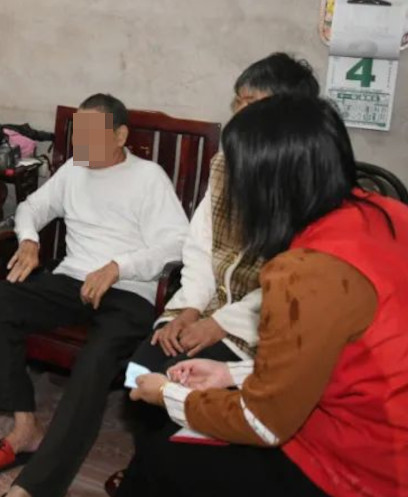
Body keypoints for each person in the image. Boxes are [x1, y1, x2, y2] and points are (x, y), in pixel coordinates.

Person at [119, 95, 408, 497]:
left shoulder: (304, 272)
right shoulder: (387, 213)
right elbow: (324, 360)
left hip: (359, 466)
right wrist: (229, 375)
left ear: (264, 183)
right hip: (372, 422)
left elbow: (263, 422)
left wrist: (169, 395)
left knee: (162, 458)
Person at [106, 53, 321, 495]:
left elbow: (287, 287)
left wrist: (218, 325)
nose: (239, 114)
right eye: (237, 102)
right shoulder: (225, 164)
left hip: (257, 326)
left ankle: (162, 467)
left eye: (251, 104)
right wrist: (186, 310)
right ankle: (149, 463)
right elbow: (200, 247)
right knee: (142, 369)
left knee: (176, 383)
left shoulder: (304, 183)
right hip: (206, 304)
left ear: (287, 116)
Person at [0, 94, 189, 497]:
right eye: (78, 134)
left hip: (129, 292)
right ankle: (25, 427)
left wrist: (118, 266)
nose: (81, 143)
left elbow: (176, 243)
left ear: (120, 136)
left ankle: (37, 486)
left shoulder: (148, 177)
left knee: (95, 360)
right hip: (72, 281)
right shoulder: (74, 169)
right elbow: (31, 208)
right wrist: (30, 240)